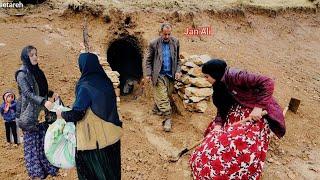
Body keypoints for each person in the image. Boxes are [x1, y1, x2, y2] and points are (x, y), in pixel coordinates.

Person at [189, 59, 286, 179]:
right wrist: (219, 124)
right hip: (239, 107)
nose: (206, 79)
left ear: (215, 74)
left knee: (241, 141)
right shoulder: (219, 85)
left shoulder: (236, 76)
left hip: (256, 110)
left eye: (207, 76)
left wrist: (258, 107)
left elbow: (268, 82)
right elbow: (222, 107)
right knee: (215, 132)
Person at [56, 52, 122, 180]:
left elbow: (78, 113)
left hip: (94, 142)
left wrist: (62, 114)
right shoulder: (106, 81)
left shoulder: (85, 86)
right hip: (113, 135)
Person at [15, 45, 58, 179]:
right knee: (32, 148)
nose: (35, 57)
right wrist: (43, 102)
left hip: (40, 113)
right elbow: (27, 93)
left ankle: (47, 169)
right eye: (31, 55)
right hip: (29, 114)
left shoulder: (37, 71)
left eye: (36, 54)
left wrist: (52, 94)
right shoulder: (22, 74)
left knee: (43, 143)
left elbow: (41, 88)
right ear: (25, 57)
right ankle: (36, 174)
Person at [145, 23, 182, 132]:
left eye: (169, 34)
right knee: (162, 97)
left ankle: (156, 108)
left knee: (167, 94)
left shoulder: (175, 42)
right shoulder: (154, 43)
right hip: (159, 74)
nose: (167, 37)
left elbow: (178, 60)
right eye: (165, 34)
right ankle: (167, 118)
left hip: (170, 75)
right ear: (160, 32)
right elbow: (148, 60)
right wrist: (148, 74)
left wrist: (178, 71)